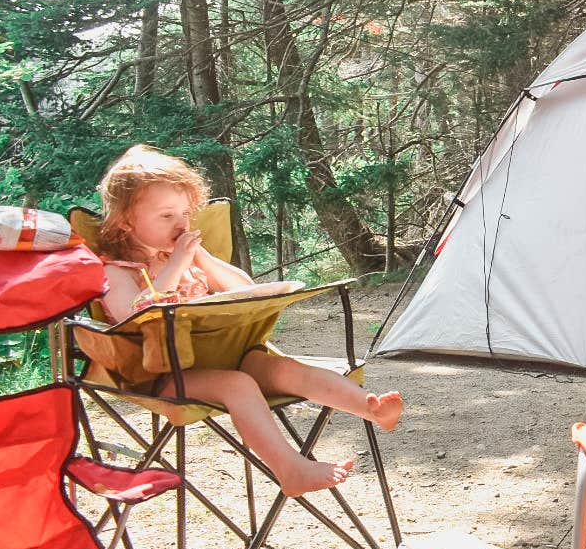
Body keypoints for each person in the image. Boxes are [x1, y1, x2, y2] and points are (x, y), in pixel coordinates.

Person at [95, 145, 403, 496]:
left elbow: (249, 291)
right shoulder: (117, 271)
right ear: (124, 220)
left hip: (230, 355)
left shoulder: (190, 259)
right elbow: (131, 316)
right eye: (166, 216)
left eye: (185, 213)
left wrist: (203, 259)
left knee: (285, 368)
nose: (181, 224)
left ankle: (370, 407)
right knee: (237, 385)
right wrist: (177, 265)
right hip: (168, 374)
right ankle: (291, 469)